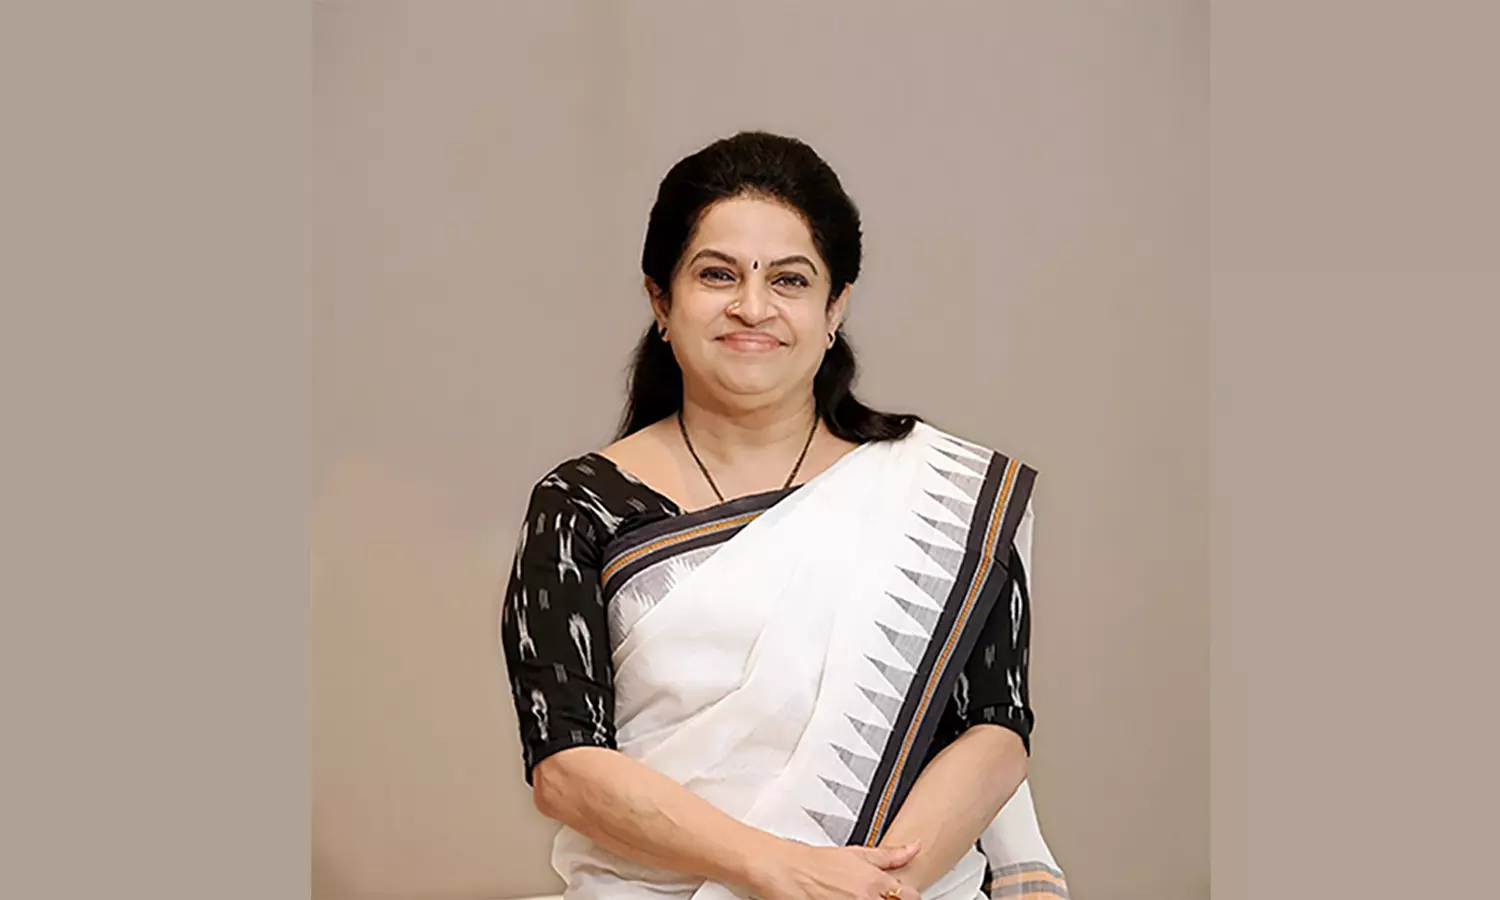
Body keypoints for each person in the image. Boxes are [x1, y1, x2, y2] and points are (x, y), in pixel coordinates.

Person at [499, 132, 1067, 900]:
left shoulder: (946, 494)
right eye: (717, 274)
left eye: (790, 280)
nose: (753, 307)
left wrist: (876, 889)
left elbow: (994, 729)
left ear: (835, 308)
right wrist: (773, 869)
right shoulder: (580, 505)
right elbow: (566, 768)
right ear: (661, 301)